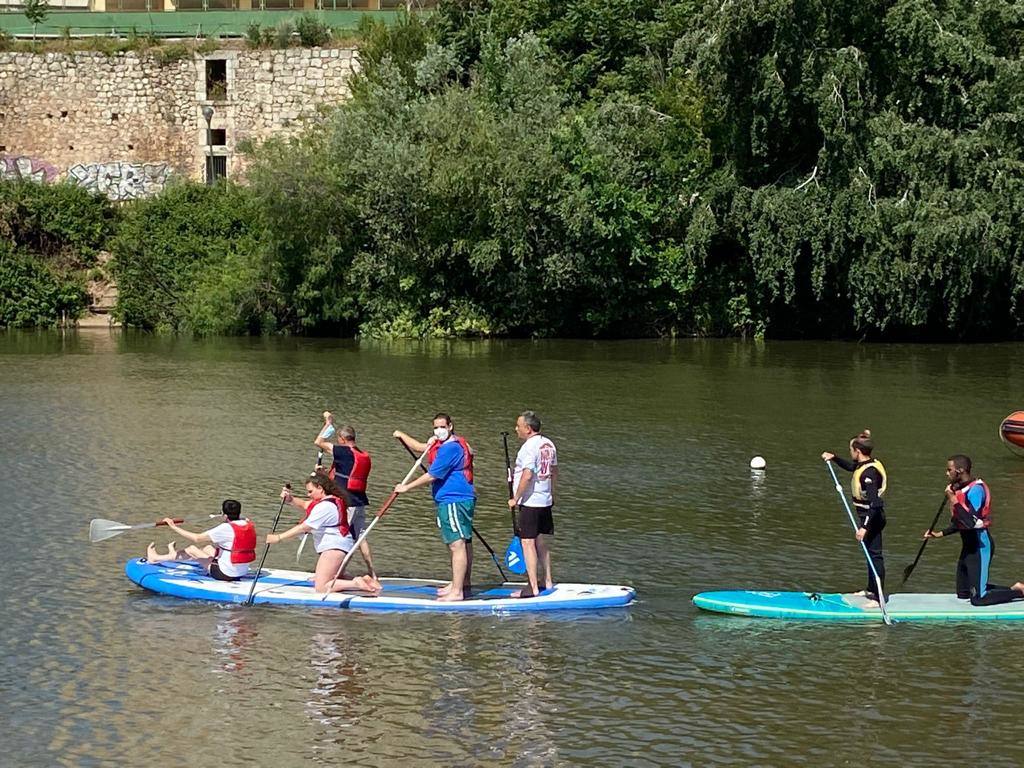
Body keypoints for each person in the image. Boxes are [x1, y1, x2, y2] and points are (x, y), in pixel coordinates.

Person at [393, 413, 476, 602]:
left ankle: (457, 591)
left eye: (442, 427)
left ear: (450, 426)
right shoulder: (453, 444)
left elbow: (432, 475)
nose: (438, 430)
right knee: (462, 542)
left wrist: (407, 487)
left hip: (454, 499)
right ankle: (461, 583)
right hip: (456, 498)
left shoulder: (450, 449)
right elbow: (421, 447)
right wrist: (402, 435)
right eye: (435, 427)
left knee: (457, 544)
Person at [922, 455, 1024, 605]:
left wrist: (953, 498)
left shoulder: (976, 490)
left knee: (978, 599)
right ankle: (1014, 588)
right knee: (963, 594)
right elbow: (960, 522)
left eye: (949, 470)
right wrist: (939, 534)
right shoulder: (960, 489)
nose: (946, 473)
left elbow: (971, 522)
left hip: (980, 547)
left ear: (960, 470)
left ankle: (1018, 593)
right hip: (968, 548)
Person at [267, 471, 381, 594]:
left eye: (310, 491)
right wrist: (290, 499)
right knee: (335, 578)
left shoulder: (325, 506)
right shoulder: (331, 500)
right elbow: (306, 505)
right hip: (340, 545)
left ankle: (356, 583)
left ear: (320, 488)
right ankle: (366, 580)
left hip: (334, 548)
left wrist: (278, 538)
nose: (308, 494)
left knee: (321, 588)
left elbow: (304, 527)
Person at [821, 429, 886, 606]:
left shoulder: (869, 474)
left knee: (875, 555)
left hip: (872, 518)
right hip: (866, 516)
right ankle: (871, 589)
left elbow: (875, 503)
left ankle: (880, 598)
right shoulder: (864, 464)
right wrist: (833, 458)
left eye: (851, 450)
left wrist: (864, 527)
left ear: (857, 451)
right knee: (869, 555)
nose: (850, 454)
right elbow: (851, 467)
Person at [314, 412, 376, 579]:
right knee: (360, 537)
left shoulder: (342, 450)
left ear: (342, 439)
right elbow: (344, 476)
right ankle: (372, 573)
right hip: (359, 501)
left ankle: (334, 573)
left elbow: (318, 442)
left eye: (338, 439)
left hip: (347, 504)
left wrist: (328, 423)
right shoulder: (361, 455)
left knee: (340, 535)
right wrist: (325, 473)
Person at [508, 410, 558, 598]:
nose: (516, 429)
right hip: (544, 500)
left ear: (528, 429)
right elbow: (554, 471)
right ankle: (547, 580)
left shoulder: (529, 447)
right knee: (540, 541)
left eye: (519, 426)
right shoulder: (549, 444)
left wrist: (516, 498)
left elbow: (528, 474)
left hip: (531, 501)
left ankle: (532, 587)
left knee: (527, 542)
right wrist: (553, 494)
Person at [146, 499, 257, 582]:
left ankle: (155, 558)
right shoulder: (247, 523)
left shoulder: (224, 528)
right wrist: (226, 516)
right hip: (241, 571)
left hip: (225, 574)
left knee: (191, 549)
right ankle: (172, 555)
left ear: (224, 515)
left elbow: (197, 538)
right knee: (207, 548)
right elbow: (241, 519)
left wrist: (173, 527)